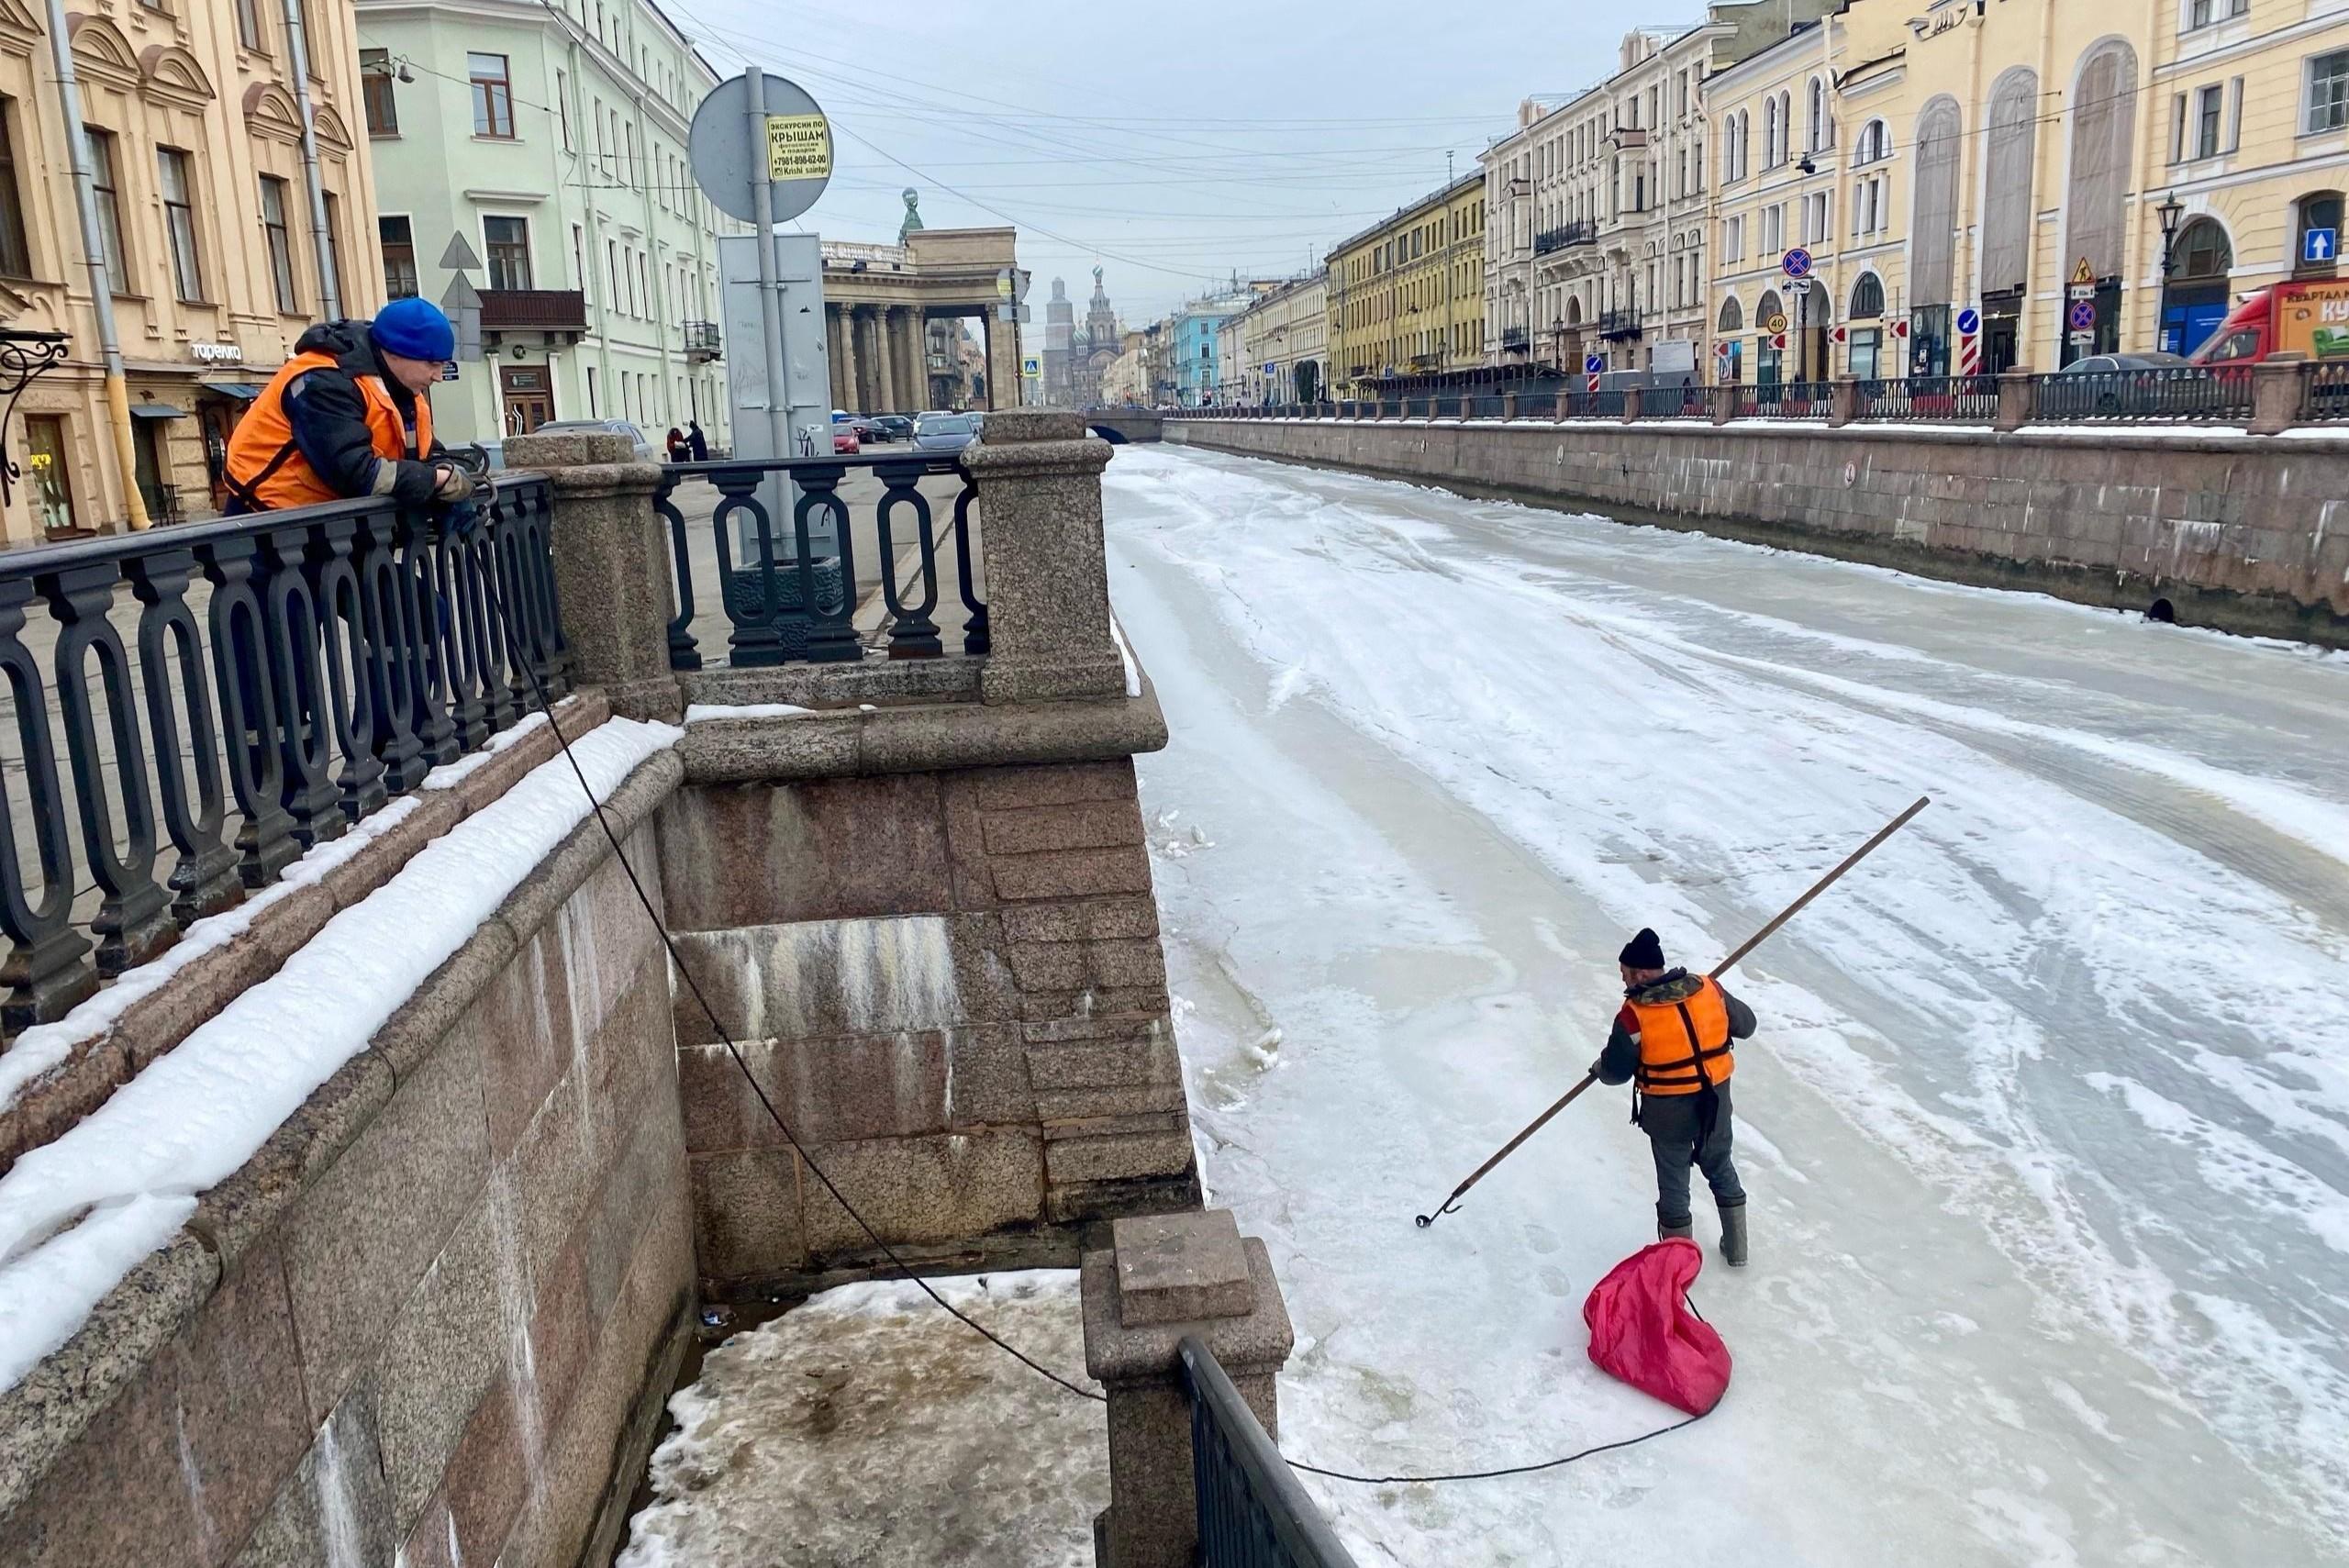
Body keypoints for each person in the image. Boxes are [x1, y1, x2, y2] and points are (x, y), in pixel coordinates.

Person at [1593, 928, 1757, 1266]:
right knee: (1720, 1166)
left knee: (1674, 1187)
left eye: (1624, 975)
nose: (1624, 984)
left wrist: (1599, 1066)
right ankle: (1738, 1251)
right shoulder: (1709, 989)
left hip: (1668, 1113)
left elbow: (1616, 1073)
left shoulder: (1633, 1015)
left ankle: (1679, 1270)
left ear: (1639, 973)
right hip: (1715, 1102)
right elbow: (1748, 1025)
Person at [224, 298, 470, 515]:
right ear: (396, 352)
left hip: (328, 525)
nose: (438, 376)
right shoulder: (323, 381)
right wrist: (436, 479)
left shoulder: (401, 387)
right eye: (432, 364)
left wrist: (447, 471)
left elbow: (424, 453)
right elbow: (355, 473)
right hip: (265, 523)